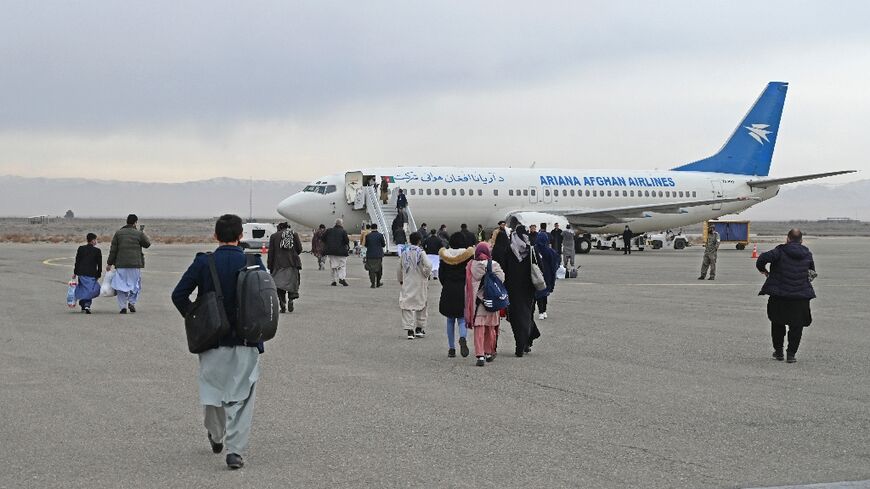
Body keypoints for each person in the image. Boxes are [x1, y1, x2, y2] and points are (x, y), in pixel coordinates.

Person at [171, 214, 266, 470]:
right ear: (240, 236)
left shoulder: (204, 262)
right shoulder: (253, 262)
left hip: (212, 339)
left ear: (215, 236)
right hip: (247, 339)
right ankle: (235, 451)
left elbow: (179, 294)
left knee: (212, 392)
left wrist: (197, 317)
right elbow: (266, 297)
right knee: (243, 397)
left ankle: (216, 435)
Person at [756, 229, 816, 363]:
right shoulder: (807, 254)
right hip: (800, 296)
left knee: (777, 323)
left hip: (779, 295)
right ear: (801, 240)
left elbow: (762, 258)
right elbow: (812, 272)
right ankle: (791, 354)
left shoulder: (779, 251)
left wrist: (763, 270)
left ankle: (778, 352)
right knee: (797, 326)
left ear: (787, 238)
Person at [465, 242, 505, 366]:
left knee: (479, 328)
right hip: (491, 301)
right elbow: (502, 279)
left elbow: (468, 283)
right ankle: (488, 352)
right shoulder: (494, 265)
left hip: (477, 302)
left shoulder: (471, 265)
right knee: (490, 328)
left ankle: (480, 355)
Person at [503, 225, 539, 357]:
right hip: (528, 288)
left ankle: (520, 343)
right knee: (527, 314)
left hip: (512, 288)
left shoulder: (509, 249)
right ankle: (526, 342)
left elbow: (503, 269)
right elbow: (539, 267)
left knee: (515, 316)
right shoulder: (530, 249)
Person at [106, 214, 151, 314]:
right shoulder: (138, 234)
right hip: (135, 264)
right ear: (135, 222)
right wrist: (142, 233)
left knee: (120, 285)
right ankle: (132, 302)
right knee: (135, 285)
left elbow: (113, 250)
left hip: (121, 264)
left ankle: (123, 307)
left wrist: (109, 263)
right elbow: (147, 244)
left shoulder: (118, 233)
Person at [439, 232, 474, 358]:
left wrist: (446, 284)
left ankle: (451, 348)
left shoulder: (445, 255)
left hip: (448, 288)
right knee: (461, 318)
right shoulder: (468, 255)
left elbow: (441, 275)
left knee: (449, 319)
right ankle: (463, 337)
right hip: (463, 289)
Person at [397, 232, 432, 339]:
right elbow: (429, 265)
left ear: (410, 240)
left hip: (408, 282)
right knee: (421, 304)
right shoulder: (421, 252)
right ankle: (419, 329)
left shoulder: (404, 253)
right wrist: (425, 274)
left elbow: (399, 268)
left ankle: (410, 330)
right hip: (420, 283)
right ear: (419, 241)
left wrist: (401, 280)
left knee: (407, 305)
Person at [267, 222, 302, 313]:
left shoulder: (274, 236)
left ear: (279, 228)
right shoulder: (294, 234)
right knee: (292, 283)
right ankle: (291, 299)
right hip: (292, 264)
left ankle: (282, 304)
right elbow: (299, 249)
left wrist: (270, 266)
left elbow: (271, 252)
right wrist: (292, 254)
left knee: (279, 285)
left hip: (278, 265)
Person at [73, 233, 102, 314]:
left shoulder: (81, 249)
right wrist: (98, 274)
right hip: (91, 274)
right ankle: (86, 305)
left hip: (81, 273)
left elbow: (77, 261)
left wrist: (75, 272)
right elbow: (99, 264)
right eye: (95, 240)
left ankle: (83, 304)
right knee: (90, 290)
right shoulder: (97, 251)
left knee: (84, 289)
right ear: (93, 240)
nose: (96, 241)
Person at [534, 233, 559, 320]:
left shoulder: (534, 250)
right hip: (547, 275)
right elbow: (554, 265)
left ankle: (541, 311)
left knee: (538, 294)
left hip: (536, 274)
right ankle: (544, 311)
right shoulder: (550, 251)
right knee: (545, 293)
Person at [321, 219, 350, 286]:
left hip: (330, 251)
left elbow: (323, 238)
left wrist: (328, 244)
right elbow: (346, 241)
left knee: (333, 266)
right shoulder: (343, 231)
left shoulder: (329, 230)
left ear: (335, 224)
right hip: (341, 252)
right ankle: (342, 278)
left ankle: (333, 281)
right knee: (342, 266)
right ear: (341, 224)